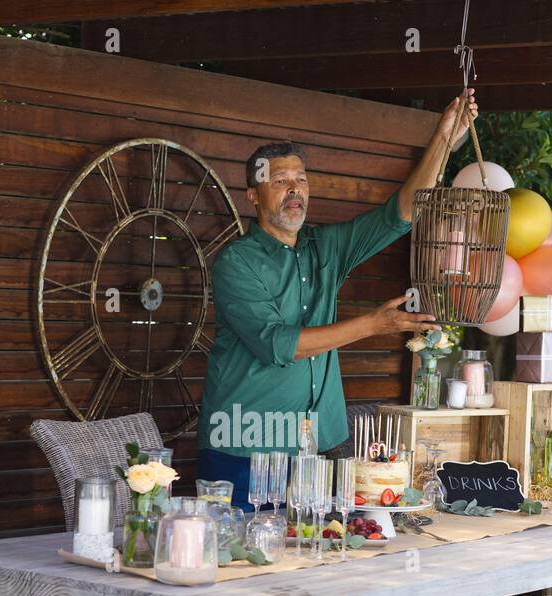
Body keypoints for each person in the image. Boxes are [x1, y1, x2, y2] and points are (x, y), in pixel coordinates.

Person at [195, 92, 481, 507]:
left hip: (318, 447)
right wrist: (373, 325)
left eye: (301, 180)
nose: (294, 191)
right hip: (244, 444)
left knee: (316, 553)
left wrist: (442, 138)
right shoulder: (236, 262)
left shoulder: (323, 246)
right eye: (279, 182)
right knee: (241, 556)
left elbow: (400, 214)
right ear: (253, 196)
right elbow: (279, 344)